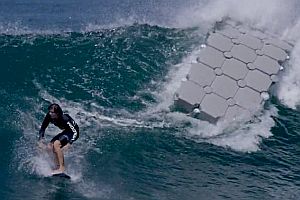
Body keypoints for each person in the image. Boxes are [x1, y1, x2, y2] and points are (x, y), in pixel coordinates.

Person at [38, 103, 79, 174]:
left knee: (56, 144)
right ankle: (57, 166)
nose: (50, 114)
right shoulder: (49, 116)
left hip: (72, 132)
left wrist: (69, 143)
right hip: (65, 131)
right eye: (49, 112)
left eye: (52, 112)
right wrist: (40, 140)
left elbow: (75, 132)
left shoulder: (65, 119)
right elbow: (43, 128)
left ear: (57, 113)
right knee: (49, 147)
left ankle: (62, 168)